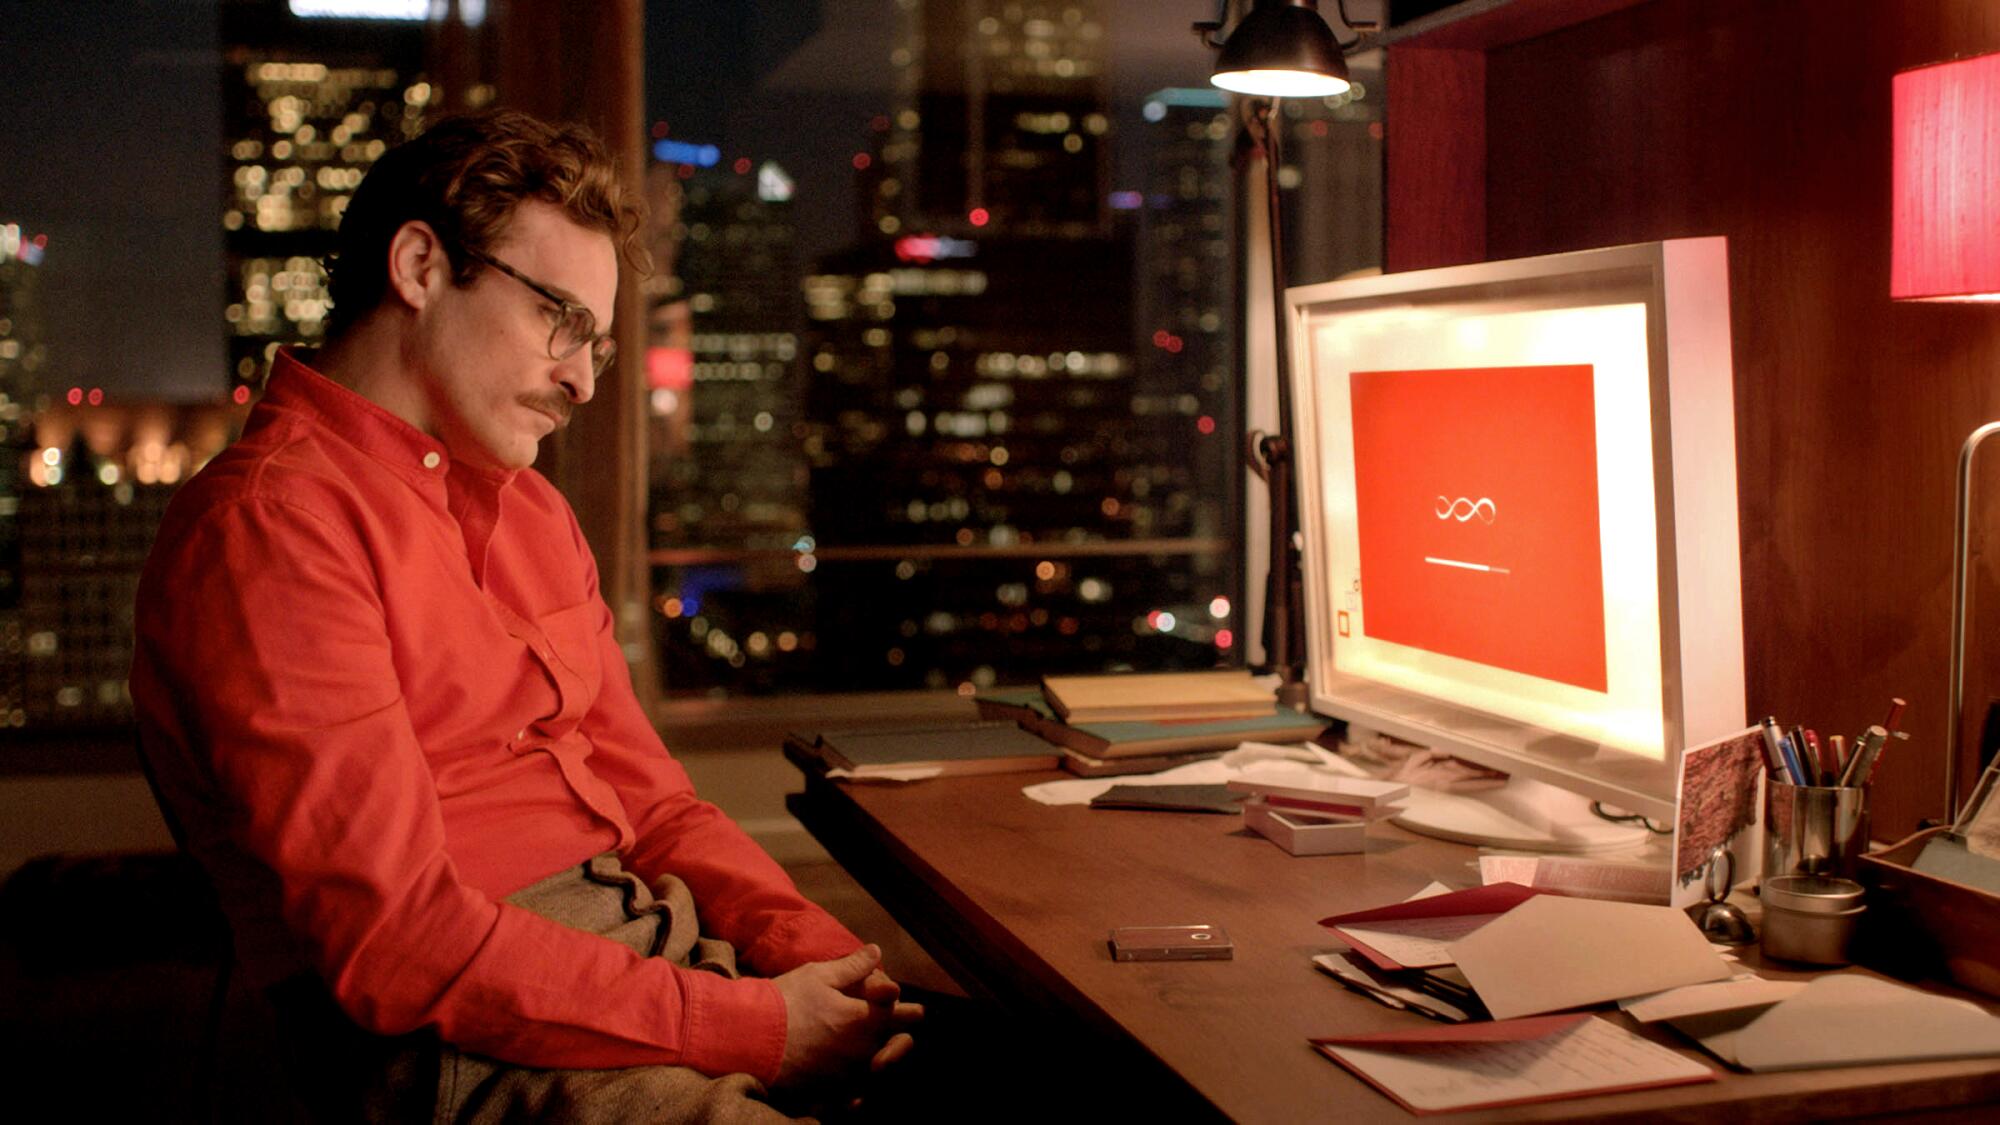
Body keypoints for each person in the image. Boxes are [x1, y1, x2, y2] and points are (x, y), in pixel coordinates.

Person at [130, 108, 920, 1122]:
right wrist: (759, 1027)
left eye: (596, 341)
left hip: (648, 951)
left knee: (1061, 1079)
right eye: (562, 320)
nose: (584, 380)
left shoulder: (532, 512)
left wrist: (827, 969)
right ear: (419, 266)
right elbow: (397, 945)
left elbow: (659, 811)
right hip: (457, 1042)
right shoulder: (273, 527)